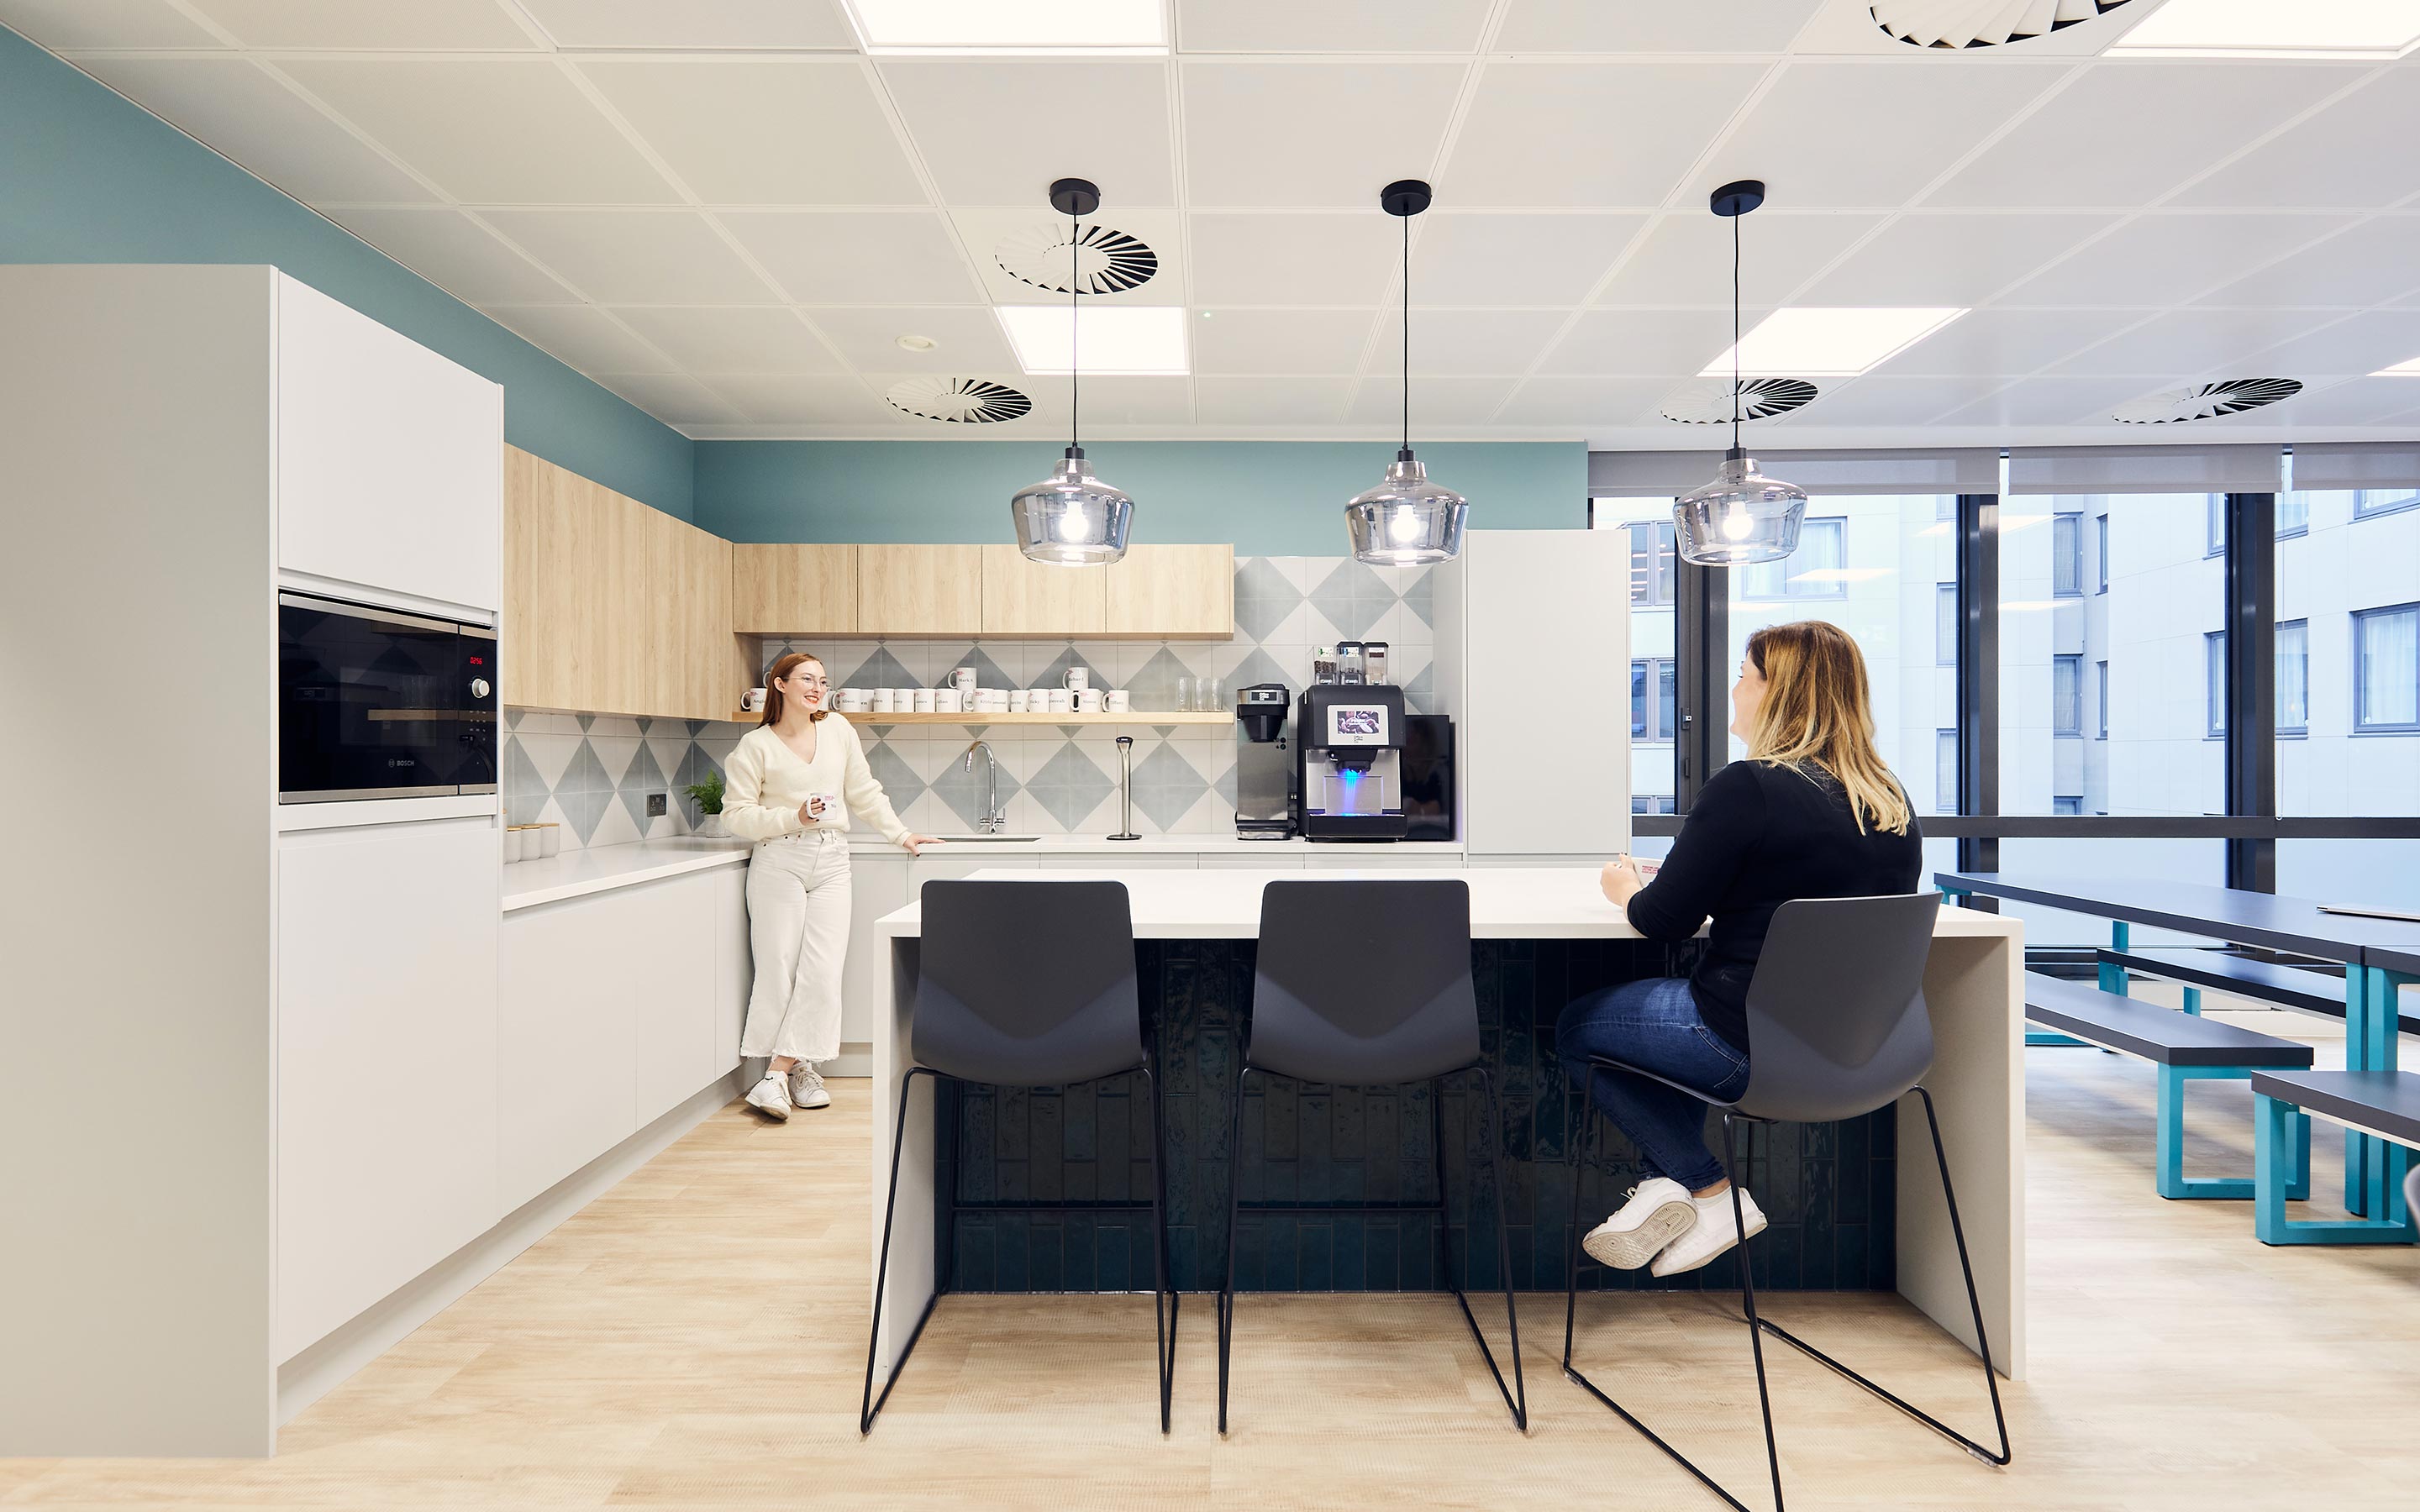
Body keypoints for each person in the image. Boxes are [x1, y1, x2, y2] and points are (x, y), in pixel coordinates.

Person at [1559, 620, 1921, 1277]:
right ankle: (1660, 1186)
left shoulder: (1747, 787)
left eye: (1744, 675)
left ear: (1775, 691)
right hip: (1872, 1051)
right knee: (1674, 1031)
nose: (1734, 688)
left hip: (1742, 1045)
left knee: (1581, 1028)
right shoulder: (1889, 799)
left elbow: (1663, 921)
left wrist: (1622, 889)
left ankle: (1704, 1188)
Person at [722, 652, 936, 1121]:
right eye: (806, 680)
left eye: (822, 680)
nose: (818, 688)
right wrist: (791, 817)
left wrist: (900, 834)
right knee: (778, 967)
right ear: (778, 685)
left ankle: (777, 1074)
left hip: (833, 859)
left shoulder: (838, 730)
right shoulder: (754, 747)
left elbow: (864, 790)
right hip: (780, 859)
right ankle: (796, 1068)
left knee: (822, 969)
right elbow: (735, 814)